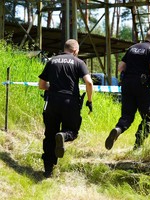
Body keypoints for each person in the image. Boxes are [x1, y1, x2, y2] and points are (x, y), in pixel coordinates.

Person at [38, 39, 93, 178]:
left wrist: (54, 89)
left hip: (52, 102)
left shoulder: (51, 61)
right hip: (70, 102)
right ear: (75, 51)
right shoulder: (79, 62)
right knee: (72, 131)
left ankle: (48, 170)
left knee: (50, 135)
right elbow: (89, 82)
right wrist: (89, 100)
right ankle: (63, 136)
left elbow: (42, 85)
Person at [105, 27, 150, 151]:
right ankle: (137, 146)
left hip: (126, 85)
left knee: (127, 115)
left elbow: (121, 67)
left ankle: (118, 129)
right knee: (148, 117)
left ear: (147, 37)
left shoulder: (132, 48)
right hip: (142, 86)